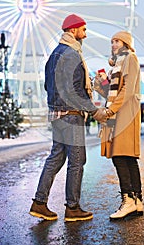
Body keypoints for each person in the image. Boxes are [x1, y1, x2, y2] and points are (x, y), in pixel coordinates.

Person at [29, 14, 107, 222]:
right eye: (83, 29)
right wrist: (94, 110)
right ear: (73, 30)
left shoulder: (55, 54)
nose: (85, 34)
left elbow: (50, 85)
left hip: (57, 114)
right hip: (71, 115)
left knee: (56, 157)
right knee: (77, 160)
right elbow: (74, 91)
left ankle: (39, 202)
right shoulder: (72, 54)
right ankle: (72, 207)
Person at [94, 31, 143, 220]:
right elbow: (112, 92)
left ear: (126, 43)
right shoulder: (118, 64)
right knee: (128, 157)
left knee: (120, 156)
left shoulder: (130, 58)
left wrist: (110, 110)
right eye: (112, 41)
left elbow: (127, 89)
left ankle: (128, 200)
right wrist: (100, 85)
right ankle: (136, 200)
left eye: (117, 41)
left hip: (125, 113)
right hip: (121, 112)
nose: (113, 44)